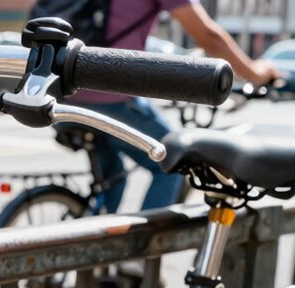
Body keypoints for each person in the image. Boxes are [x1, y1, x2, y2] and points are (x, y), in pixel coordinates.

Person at [70, 0, 279, 214]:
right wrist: (256, 73)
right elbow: (208, 36)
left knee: (112, 178)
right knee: (173, 163)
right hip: (109, 94)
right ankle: (141, 246)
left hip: (64, 92)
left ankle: (90, 236)